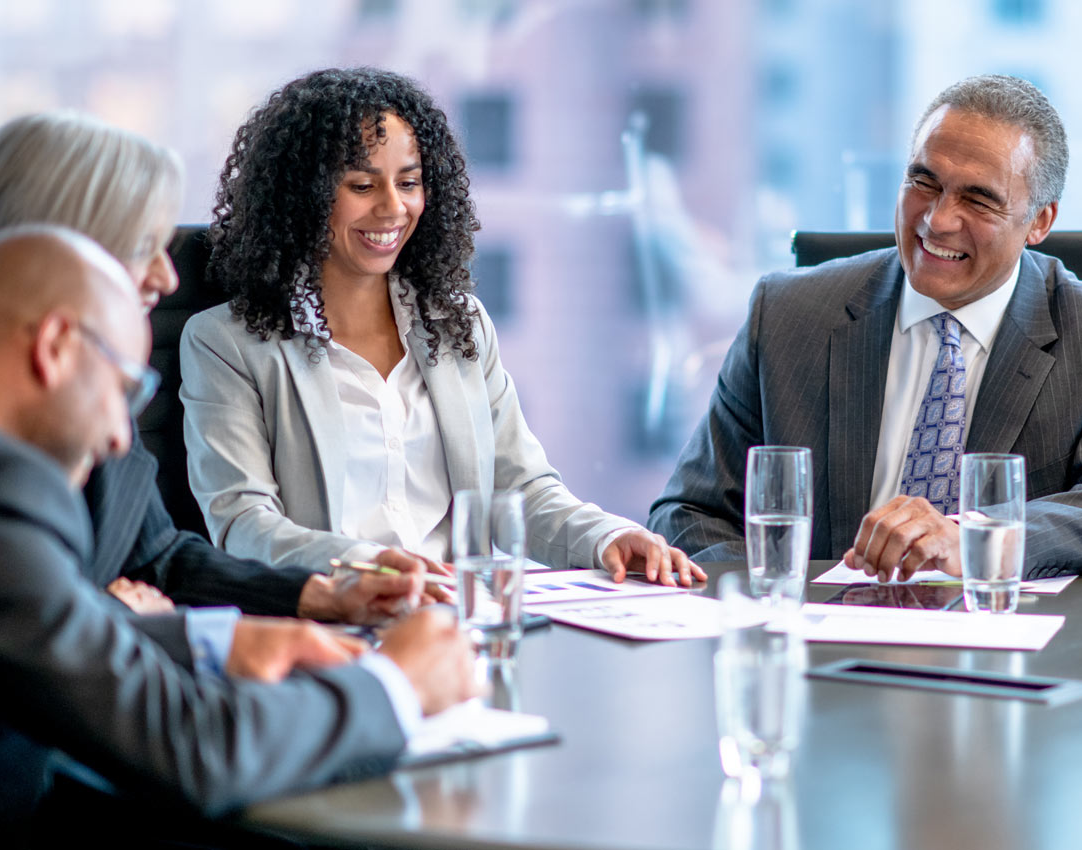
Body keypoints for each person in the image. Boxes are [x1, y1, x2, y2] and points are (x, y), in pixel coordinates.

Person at [0, 227, 478, 849]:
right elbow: (193, 752)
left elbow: (14, 634)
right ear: (56, 348)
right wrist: (396, 684)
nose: (124, 437)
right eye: (126, 390)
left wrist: (216, 640)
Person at [0, 112, 431, 680]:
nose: (168, 278)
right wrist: (131, 621)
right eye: (144, 246)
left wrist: (321, 595)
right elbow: (29, 620)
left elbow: (158, 557)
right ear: (62, 251)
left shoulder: (88, 393)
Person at [183, 67, 701, 586]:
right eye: (362, 185)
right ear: (302, 195)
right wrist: (367, 567)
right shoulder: (226, 344)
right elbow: (243, 525)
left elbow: (518, 485)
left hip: (461, 618)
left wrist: (604, 536)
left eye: (409, 182)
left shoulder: (460, 324)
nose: (393, 208)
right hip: (333, 622)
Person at [649, 74, 1082, 580]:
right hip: (822, 646)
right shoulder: (787, 314)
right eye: (924, 182)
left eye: (978, 199)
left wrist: (971, 539)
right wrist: (780, 597)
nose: (938, 220)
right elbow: (689, 511)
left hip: (1005, 650)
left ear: (1040, 221)